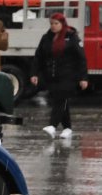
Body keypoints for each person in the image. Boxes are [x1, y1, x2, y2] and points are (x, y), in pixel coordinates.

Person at [30, 12, 88, 140]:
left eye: (56, 23)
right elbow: (38, 56)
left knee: (60, 99)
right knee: (60, 100)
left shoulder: (71, 37)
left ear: (62, 24)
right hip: (52, 75)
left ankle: (52, 125)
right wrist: (34, 73)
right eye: (51, 23)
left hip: (69, 76)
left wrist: (83, 78)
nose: (53, 26)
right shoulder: (46, 38)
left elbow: (81, 58)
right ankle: (67, 128)